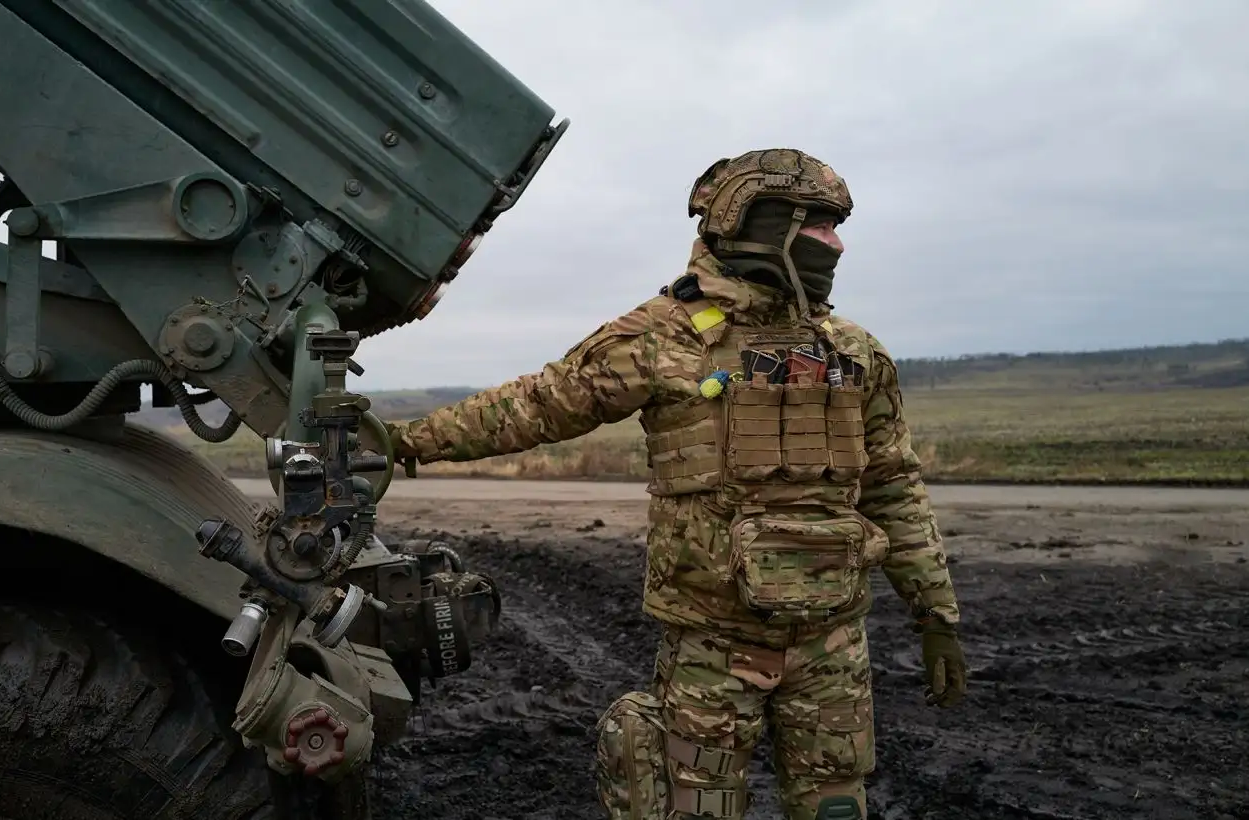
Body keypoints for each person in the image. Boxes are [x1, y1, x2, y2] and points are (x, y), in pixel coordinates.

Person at [387, 148, 967, 820]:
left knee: (837, 806)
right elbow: (540, 404)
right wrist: (406, 440)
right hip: (712, 645)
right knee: (700, 806)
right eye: (817, 227)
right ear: (755, 223)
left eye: (838, 229)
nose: (835, 246)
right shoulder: (662, 337)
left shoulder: (854, 353)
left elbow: (893, 485)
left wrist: (936, 616)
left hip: (832, 642)